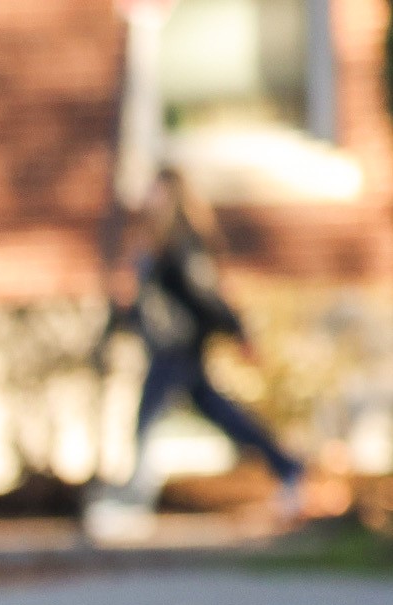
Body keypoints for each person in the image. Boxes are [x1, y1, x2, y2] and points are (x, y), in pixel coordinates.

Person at [108, 167, 309, 524]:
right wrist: (123, 321)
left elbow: (206, 295)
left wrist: (238, 331)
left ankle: (134, 499)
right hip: (165, 345)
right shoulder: (152, 242)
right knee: (223, 414)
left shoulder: (182, 243)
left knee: (146, 419)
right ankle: (287, 466)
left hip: (179, 347)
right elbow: (146, 302)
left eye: (157, 191)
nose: (149, 198)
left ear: (172, 197)